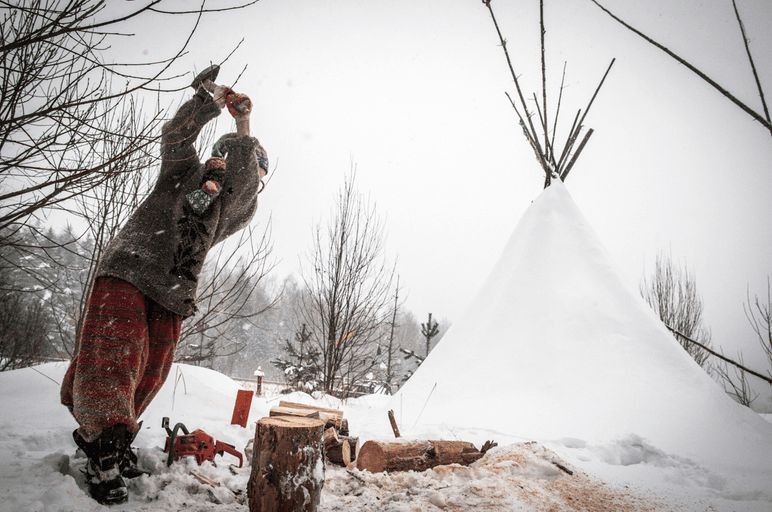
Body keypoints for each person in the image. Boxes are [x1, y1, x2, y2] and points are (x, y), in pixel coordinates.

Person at [59, 64, 268, 505]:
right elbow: (175, 138)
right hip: (133, 267)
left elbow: (243, 187)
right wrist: (207, 105)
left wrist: (244, 127)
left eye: (254, 175)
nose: (250, 181)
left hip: (173, 291)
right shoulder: (183, 172)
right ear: (221, 156)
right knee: (112, 359)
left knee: (149, 373)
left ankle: (115, 443)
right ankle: (103, 455)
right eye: (235, 161)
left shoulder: (235, 207)